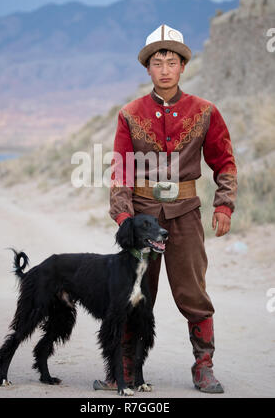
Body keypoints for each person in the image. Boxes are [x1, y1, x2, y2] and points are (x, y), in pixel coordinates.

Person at [94, 24, 237, 394]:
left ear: (183, 66)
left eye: (171, 61)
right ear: (147, 69)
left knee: (193, 292)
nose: (165, 69)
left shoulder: (205, 111)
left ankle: (203, 366)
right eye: (157, 62)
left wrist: (224, 204)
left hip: (186, 212)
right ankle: (123, 369)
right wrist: (124, 217)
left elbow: (225, 162)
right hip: (141, 218)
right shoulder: (129, 113)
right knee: (135, 291)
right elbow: (121, 170)